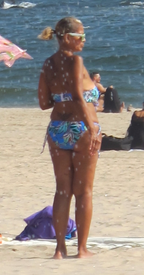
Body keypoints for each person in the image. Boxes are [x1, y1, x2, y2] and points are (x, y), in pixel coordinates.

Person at [38, 16, 101, 259]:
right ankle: (82, 249)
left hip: (57, 129)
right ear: (67, 38)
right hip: (81, 128)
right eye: (81, 36)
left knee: (63, 190)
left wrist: (60, 98)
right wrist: (91, 126)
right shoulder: (76, 61)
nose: (84, 40)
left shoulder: (47, 64)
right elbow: (77, 93)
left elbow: (44, 102)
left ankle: (60, 249)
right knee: (84, 191)